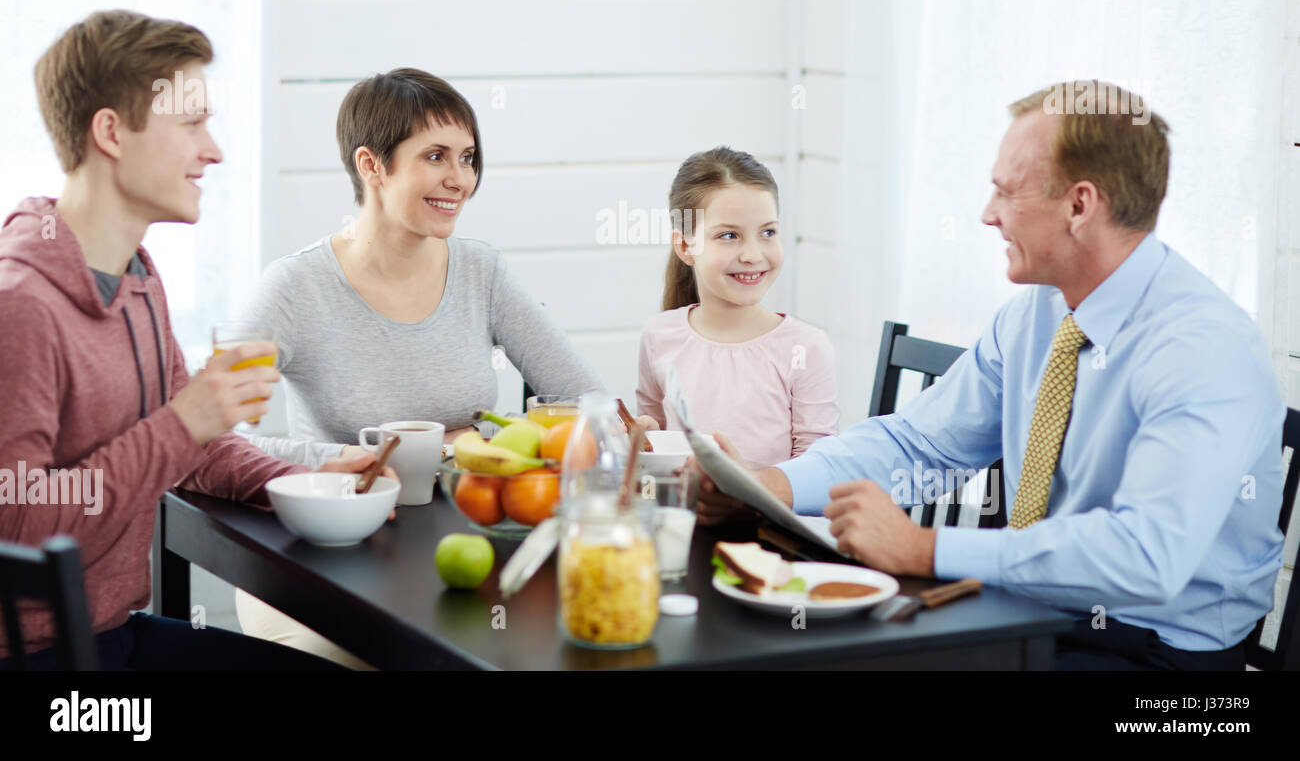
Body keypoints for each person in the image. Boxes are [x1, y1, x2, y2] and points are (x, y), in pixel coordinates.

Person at [697, 82, 1285, 671]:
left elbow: (1145, 557)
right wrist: (769, 487)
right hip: (1030, 612)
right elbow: (919, 444)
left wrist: (924, 547)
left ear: (1080, 206)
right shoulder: (1039, 313)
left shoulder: (1203, 348)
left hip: (1158, 655)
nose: (988, 213)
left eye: (1005, 191)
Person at [0, 10, 392, 670]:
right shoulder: (21, 307)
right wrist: (184, 422)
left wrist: (312, 480)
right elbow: (20, 534)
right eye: (192, 123)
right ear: (111, 132)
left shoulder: (137, 281)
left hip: (115, 638)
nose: (213, 150)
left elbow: (192, 451)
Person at [233, 67, 604, 664]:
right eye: (436, 156)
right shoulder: (293, 287)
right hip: (321, 552)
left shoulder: (482, 271)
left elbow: (587, 403)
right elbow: (212, 441)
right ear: (371, 165)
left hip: (450, 548)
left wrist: (477, 440)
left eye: (468, 157)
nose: (459, 179)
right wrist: (348, 459)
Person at [636, 147, 838, 468]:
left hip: (768, 519)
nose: (752, 254)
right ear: (686, 246)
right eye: (729, 235)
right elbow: (652, 443)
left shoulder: (805, 348)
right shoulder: (659, 335)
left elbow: (816, 470)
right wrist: (638, 439)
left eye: (767, 232)